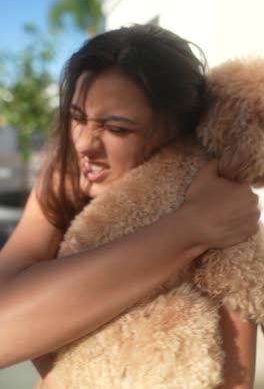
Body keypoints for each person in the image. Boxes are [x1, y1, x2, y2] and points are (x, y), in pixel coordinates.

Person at [0, 24, 259, 389]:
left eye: (117, 129)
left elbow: (235, 381)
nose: (85, 144)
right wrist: (190, 228)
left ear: (176, 132)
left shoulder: (219, 206)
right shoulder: (62, 182)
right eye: (77, 117)